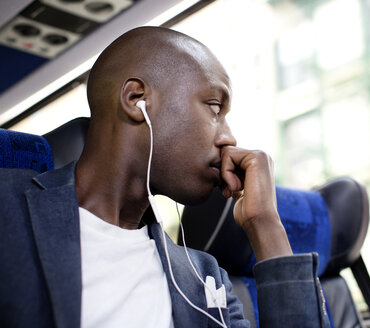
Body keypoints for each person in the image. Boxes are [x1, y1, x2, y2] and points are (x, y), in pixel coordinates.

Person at [0, 27, 330, 327]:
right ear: (136, 100)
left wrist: (265, 223)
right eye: (215, 109)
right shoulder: (7, 209)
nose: (228, 138)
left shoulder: (204, 277)